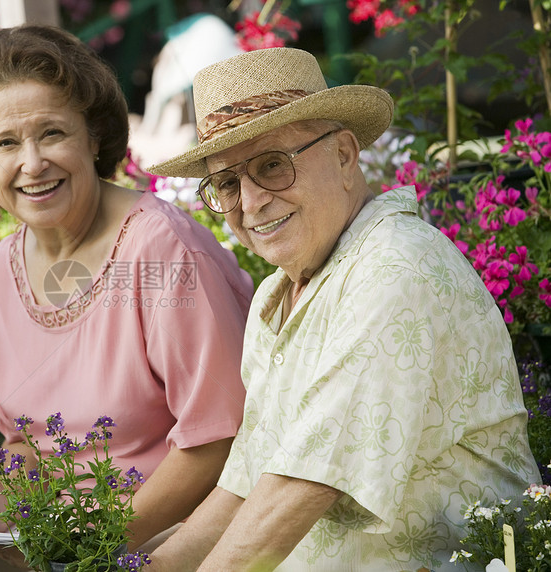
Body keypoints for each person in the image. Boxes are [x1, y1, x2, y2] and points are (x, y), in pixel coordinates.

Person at [143, 47, 540, 571]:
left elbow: (301, 487)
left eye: (271, 166)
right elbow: (246, 485)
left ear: (345, 155)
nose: (251, 200)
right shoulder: (276, 296)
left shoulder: (395, 267)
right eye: (227, 182)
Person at [0, 25, 253, 571]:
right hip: (61, 545)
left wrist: (95, 544)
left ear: (93, 137)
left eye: (52, 133)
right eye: (5, 143)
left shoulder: (162, 248)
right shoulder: (0, 275)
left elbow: (218, 443)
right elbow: (26, 442)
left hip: (174, 536)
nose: (32, 163)